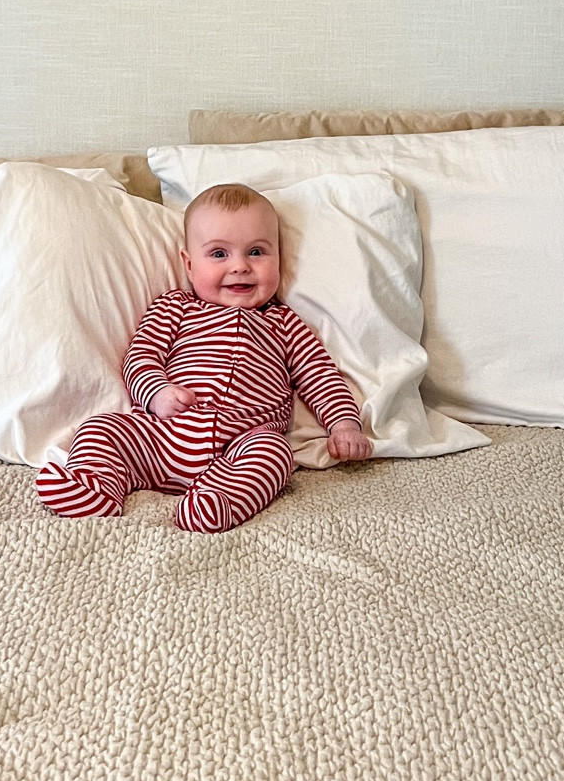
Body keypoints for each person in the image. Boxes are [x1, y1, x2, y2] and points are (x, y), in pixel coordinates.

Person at [36, 183, 373, 532]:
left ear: (279, 257)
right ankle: (97, 487)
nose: (240, 266)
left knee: (276, 454)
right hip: (161, 436)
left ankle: (219, 502)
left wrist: (344, 424)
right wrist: (157, 393)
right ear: (189, 264)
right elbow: (140, 356)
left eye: (256, 252)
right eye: (218, 254)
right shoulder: (175, 308)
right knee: (102, 428)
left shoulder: (284, 323)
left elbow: (319, 374)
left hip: (242, 441)